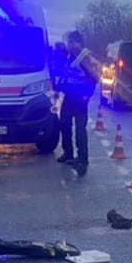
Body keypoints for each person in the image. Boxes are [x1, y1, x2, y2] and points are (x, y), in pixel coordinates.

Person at [56, 30, 99, 177]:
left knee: (80, 129)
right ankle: (68, 154)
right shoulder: (70, 55)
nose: (69, 44)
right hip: (69, 97)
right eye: (69, 42)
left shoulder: (85, 57)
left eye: (71, 42)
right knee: (64, 124)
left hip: (80, 99)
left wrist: (86, 96)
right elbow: (66, 74)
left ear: (78, 42)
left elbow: (94, 78)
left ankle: (82, 160)